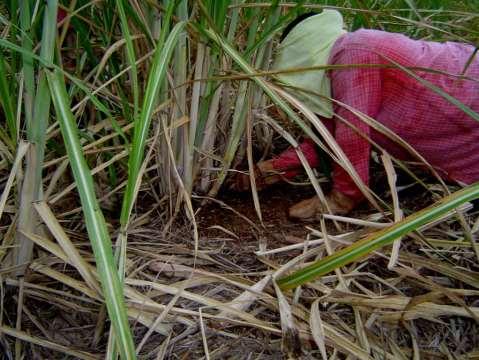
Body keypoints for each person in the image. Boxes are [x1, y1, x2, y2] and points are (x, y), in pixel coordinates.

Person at [233, 10, 479, 220]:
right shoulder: (346, 62)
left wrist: (342, 197)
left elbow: (352, 133)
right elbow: (329, 136)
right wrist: (276, 169)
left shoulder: (353, 52)